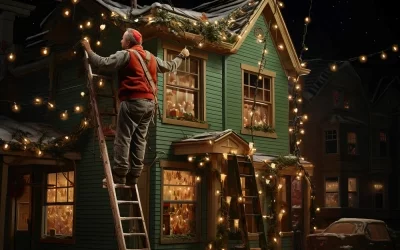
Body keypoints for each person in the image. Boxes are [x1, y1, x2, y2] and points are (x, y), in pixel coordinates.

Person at [81, 28, 190, 185]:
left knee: (123, 137)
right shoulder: (151, 57)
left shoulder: (126, 54)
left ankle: (119, 173)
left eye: (122, 39)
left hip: (133, 101)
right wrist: (181, 55)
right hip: (150, 105)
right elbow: (170, 66)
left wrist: (88, 49)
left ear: (129, 42)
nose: (120, 41)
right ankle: (134, 175)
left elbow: (102, 63)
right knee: (139, 139)